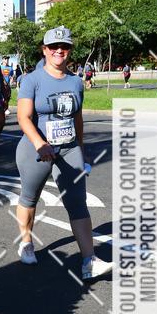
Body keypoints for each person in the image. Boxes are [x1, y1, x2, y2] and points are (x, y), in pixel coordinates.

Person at [14, 26, 112, 282]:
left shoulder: (76, 82)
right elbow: (23, 118)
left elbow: (77, 118)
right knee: (29, 197)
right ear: (44, 50)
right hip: (35, 150)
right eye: (54, 47)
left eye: (65, 47)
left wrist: (81, 149)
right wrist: (39, 143)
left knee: (78, 203)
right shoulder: (31, 80)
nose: (60, 51)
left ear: (70, 50)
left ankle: (89, 260)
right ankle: (26, 243)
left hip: (69, 149)